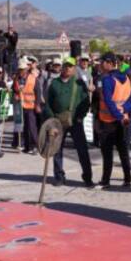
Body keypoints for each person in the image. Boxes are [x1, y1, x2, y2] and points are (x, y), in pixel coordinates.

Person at [42, 57, 93, 187]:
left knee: (82, 150)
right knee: (57, 150)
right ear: (62, 67)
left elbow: (86, 102)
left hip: (75, 122)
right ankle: (59, 177)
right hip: (58, 122)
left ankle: (88, 178)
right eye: (65, 66)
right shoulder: (54, 83)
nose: (67, 68)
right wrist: (52, 121)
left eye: (70, 66)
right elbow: (48, 104)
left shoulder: (79, 83)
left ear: (74, 68)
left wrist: (80, 116)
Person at [96, 52, 131, 187]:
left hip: (108, 121)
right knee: (123, 151)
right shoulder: (126, 78)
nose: (100, 65)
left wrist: (118, 115)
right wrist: (123, 112)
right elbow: (130, 100)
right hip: (123, 120)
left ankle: (106, 181)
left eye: (102, 62)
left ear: (110, 63)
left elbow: (108, 101)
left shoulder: (107, 79)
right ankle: (128, 179)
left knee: (107, 152)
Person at [16, 58, 41, 153]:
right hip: (21, 106)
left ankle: (36, 146)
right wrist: (15, 95)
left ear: (26, 69)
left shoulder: (33, 78)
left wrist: (37, 104)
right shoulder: (17, 79)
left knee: (32, 127)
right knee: (25, 127)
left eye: (22, 69)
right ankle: (27, 147)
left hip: (31, 106)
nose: (21, 71)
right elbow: (15, 90)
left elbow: (38, 92)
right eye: (20, 69)